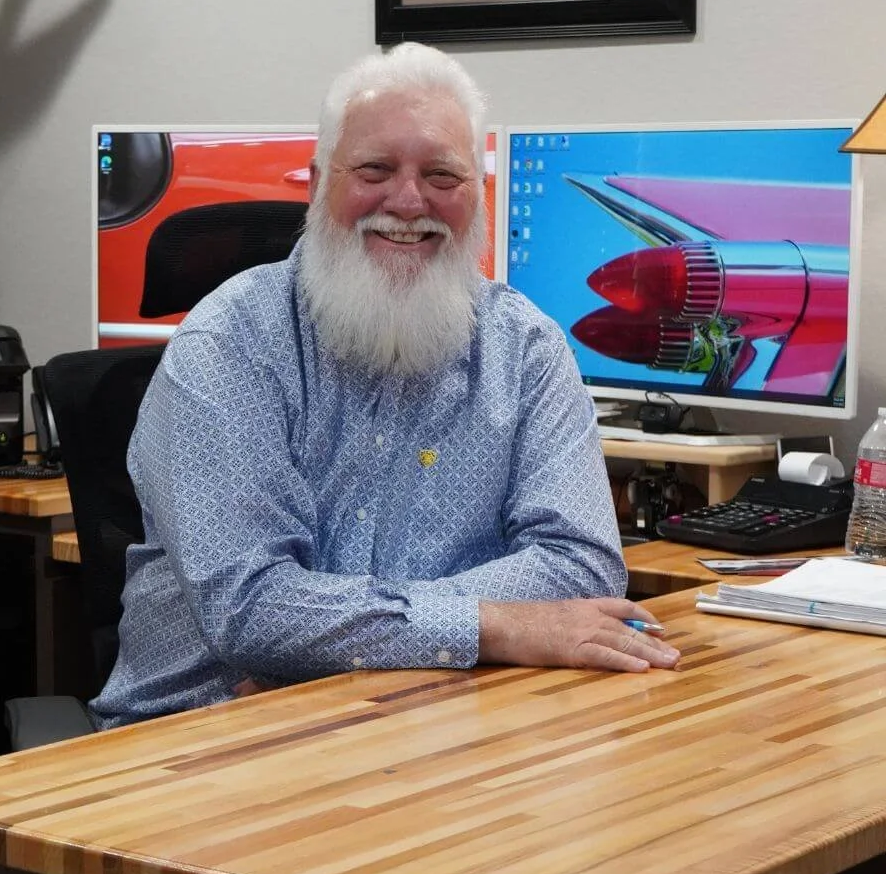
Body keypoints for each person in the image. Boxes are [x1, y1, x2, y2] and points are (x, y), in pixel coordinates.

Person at [91, 44, 678, 728]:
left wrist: (334, 642)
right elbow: (250, 609)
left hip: (419, 720)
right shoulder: (228, 347)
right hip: (202, 737)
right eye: (374, 169)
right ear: (315, 186)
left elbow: (582, 567)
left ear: (477, 196)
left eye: (442, 175)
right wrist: (499, 625)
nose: (408, 200)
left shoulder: (527, 351)